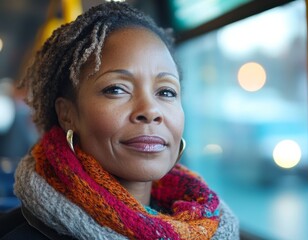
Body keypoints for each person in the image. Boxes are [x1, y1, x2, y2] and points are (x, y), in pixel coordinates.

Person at [0, 2, 239, 239]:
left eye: (166, 92)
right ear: (67, 114)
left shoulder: (210, 224)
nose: (150, 110)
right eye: (117, 89)